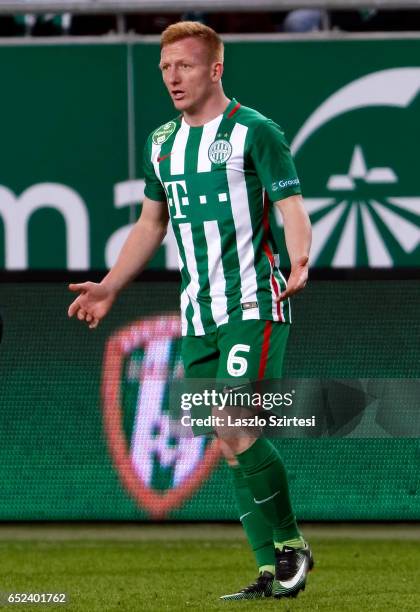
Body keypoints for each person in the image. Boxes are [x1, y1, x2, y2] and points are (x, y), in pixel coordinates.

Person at [68, 21, 313, 600]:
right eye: (164, 68)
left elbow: (292, 206)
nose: (172, 78)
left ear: (215, 69)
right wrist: (108, 287)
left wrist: (300, 257)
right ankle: (266, 570)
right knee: (227, 441)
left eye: (184, 66)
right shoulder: (161, 143)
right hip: (198, 315)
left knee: (234, 422)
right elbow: (150, 224)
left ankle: (292, 546)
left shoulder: (256, 131)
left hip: (253, 302)